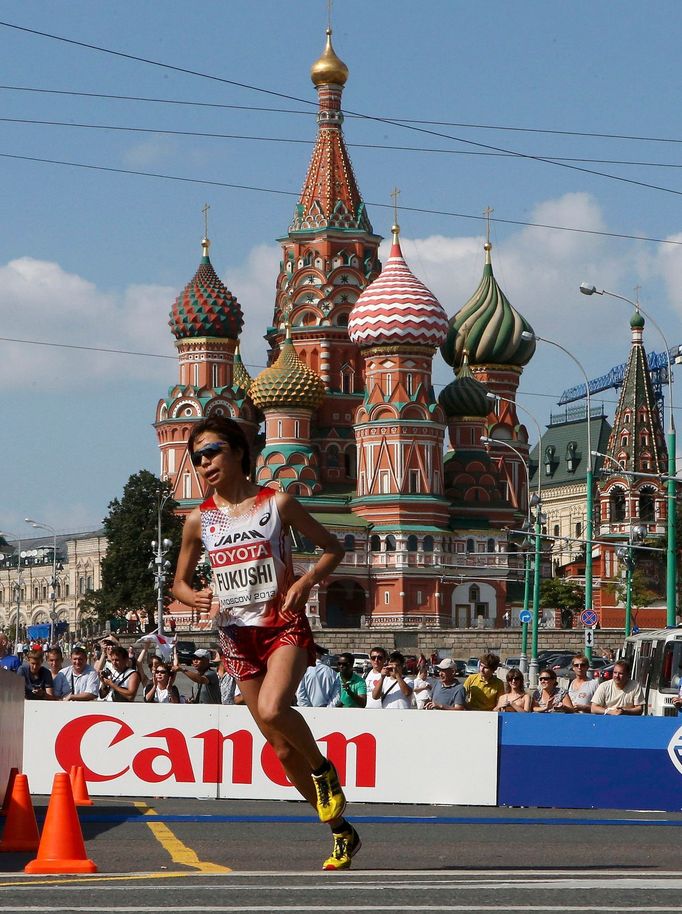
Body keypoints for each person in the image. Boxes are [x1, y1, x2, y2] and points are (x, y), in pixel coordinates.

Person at [172, 415, 357, 871]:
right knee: (278, 747)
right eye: (196, 457)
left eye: (211, 451)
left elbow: (333, 547)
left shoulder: (277, 503)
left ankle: (323, 770)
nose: (204, 462)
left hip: (282, 626)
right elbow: (177, 582)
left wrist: (307, 581)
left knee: (275, 709)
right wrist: (193, 595)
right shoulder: (198, 520)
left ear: (238, 451)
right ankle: (340, 832)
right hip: (236, 637)